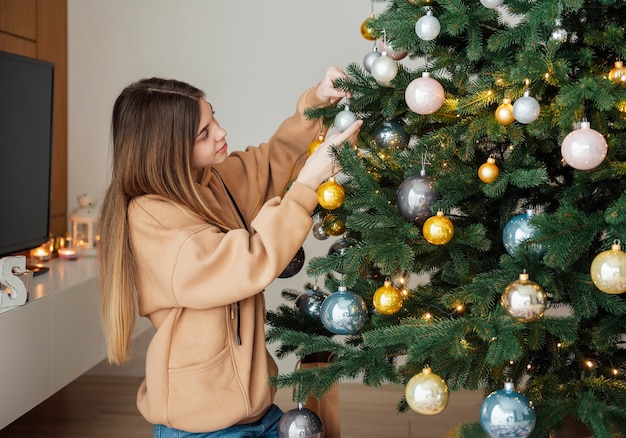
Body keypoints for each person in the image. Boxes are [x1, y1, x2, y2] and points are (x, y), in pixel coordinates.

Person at [98, 67, 362, 437]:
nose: (221, 132)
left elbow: (275, 158)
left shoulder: (210, 180)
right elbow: (248, 262)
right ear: (168, 150)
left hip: (255, 411)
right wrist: (305, 186)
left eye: (213, 117)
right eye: (204, 133)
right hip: (200, 426)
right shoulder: (151, 218)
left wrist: (316, 102)